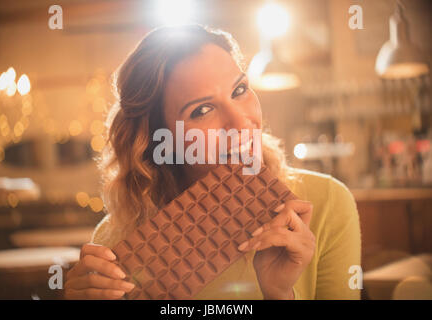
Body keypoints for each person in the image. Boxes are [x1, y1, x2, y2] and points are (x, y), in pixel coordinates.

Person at [63, 24, 362, 300]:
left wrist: (279, 294)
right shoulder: (115, 241)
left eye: (239, 90)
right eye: (202, 110)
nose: (242, 124)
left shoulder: (327, 205)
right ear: (159, 140)